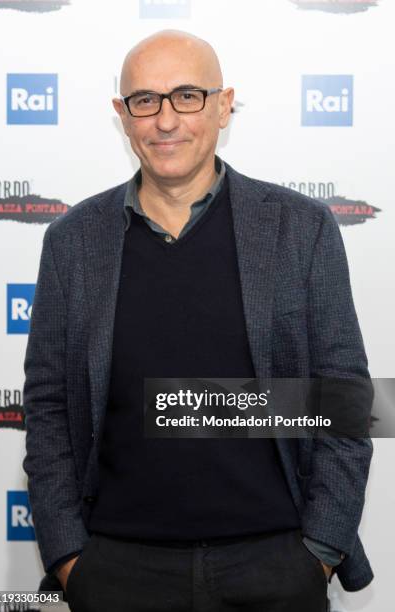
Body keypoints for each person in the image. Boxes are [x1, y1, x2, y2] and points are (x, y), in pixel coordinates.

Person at [22, 29, 374, 612]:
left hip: (276, 568)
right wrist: (69, 558)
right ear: (123, 114)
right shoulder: (71, 244)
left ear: (222, 103)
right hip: (115, 572)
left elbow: (346, 400)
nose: (166, 120)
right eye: (145, 101)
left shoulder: (302, 230)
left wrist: (321, 549)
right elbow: (48, 406)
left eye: (187, 96)